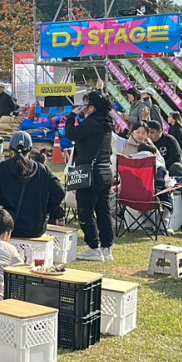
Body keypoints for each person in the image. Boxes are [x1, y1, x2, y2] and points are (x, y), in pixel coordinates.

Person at [0, 131, 65, 239]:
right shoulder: (42, 169)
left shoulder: (2, 168)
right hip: (35, 227)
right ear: (30, 149)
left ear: (11, 149)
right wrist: (45, 209)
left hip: (6, 227)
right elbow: (59, 192)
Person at [63, 91, 116, 262]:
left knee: (85, 212)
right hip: (105, 171)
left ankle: (94, 248)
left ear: (92, 107)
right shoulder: (107, 123)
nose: (83, 108)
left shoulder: (92, 123)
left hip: (89, 173)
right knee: (103, 211)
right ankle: (107, 248)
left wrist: (72, 115)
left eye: (85, 105)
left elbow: (70, 133)